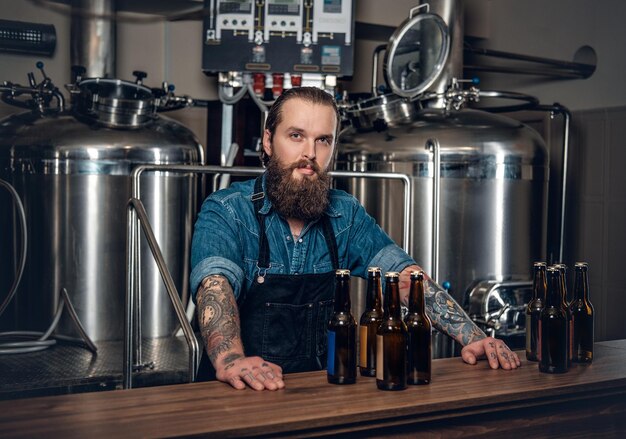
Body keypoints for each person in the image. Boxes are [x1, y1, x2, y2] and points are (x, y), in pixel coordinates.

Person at [190, 87, 521, 391]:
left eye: (323, 140)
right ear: (267, 140)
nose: (310, 153)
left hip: (317, 389)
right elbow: (214, 287)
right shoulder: (227, 211)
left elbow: (405, 278)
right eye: (296, 136)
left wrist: (473, 337)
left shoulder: (344, 214)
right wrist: (231, 359)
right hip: (237, 393)